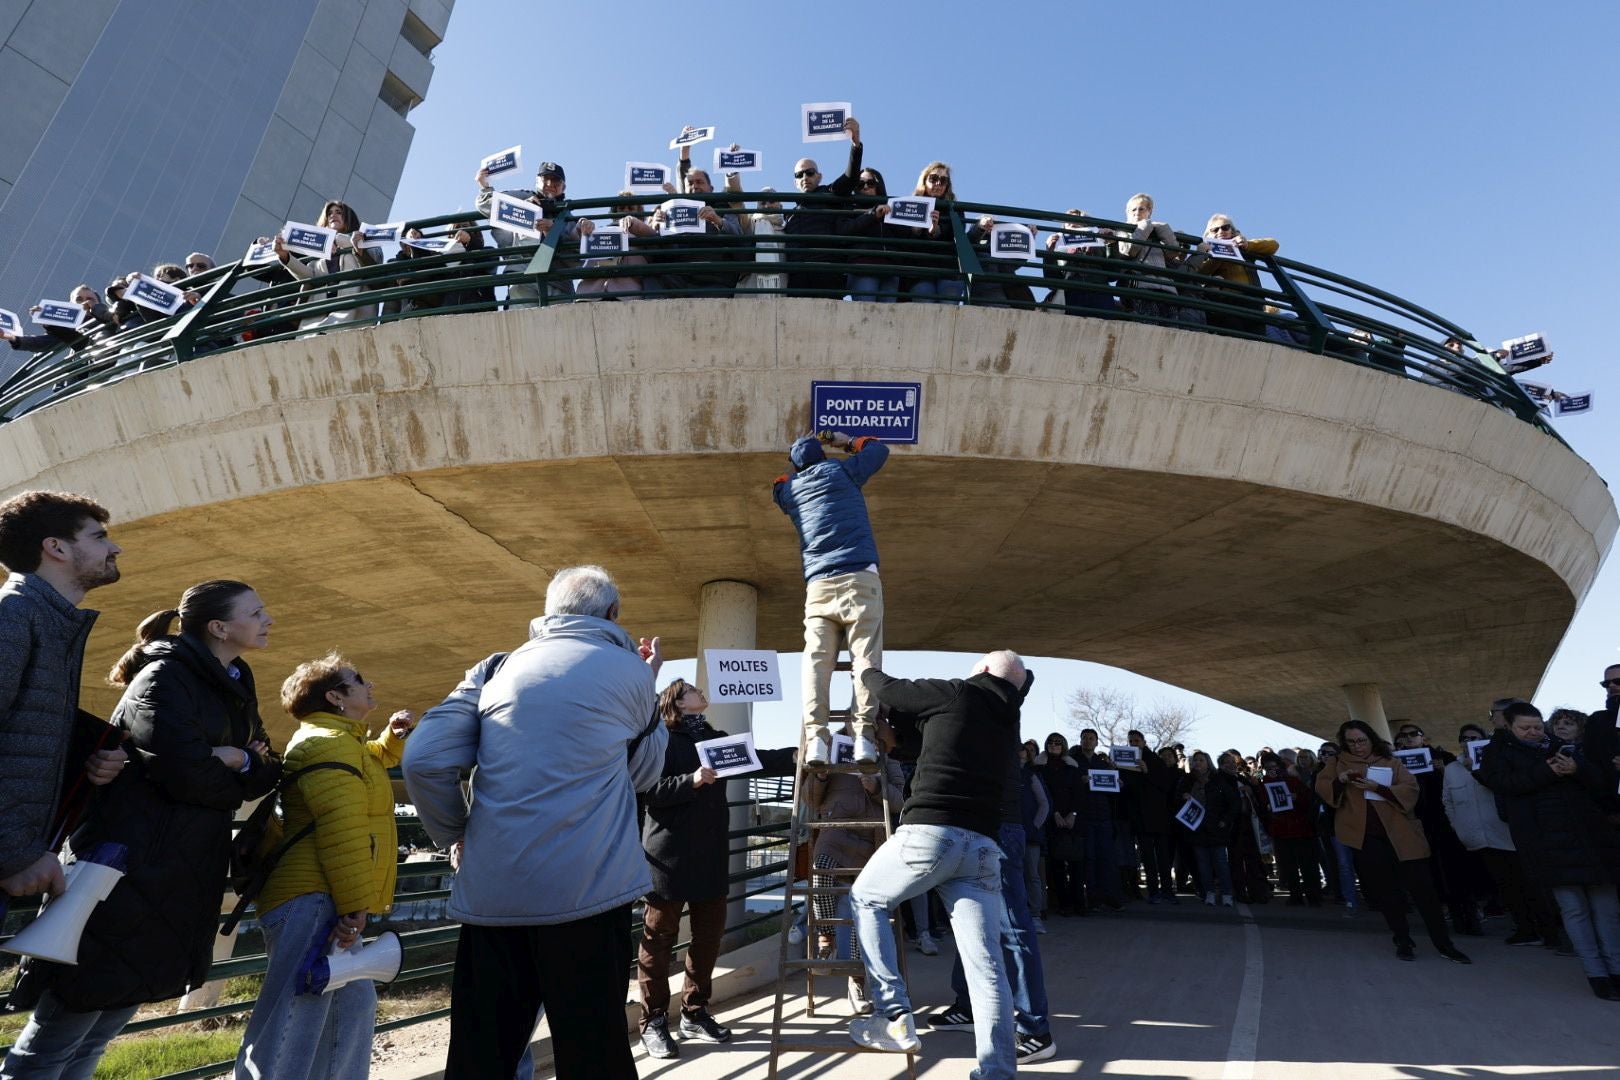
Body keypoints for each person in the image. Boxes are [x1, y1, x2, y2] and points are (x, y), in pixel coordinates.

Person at [4, 581, 281, 1079]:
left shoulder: (235, 679)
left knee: (99, 1033)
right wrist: (236, 767)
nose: (269, 620)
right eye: (256, 612)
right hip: (127, 869)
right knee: (60, 1031)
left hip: (176, 872)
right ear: (219, 627)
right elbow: (187, 776)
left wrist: (234, 757)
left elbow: (265, 767)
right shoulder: (163, 679)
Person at [400, 565, 667, 1079]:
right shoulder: (630, 671)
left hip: (492, 896)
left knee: (481, 1054)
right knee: (595, 1053)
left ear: (549, 612)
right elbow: (643, 775)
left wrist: (457, 834)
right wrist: (646, 688)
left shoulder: (497, 669)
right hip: (587, 895)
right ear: (613, 615)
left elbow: (423, 760)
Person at [847, 651, 1031, 1079]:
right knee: (986, 969)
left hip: (931, 833)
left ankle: (892, 1016)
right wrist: (897, 742)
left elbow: (890, 689)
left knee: (867, 898)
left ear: (984, 670)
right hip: (983, 848)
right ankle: (998, 1071)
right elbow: (937, 741)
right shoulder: (1008, 721)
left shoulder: (957, 691)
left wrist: (863, 669)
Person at [234, 655, 416, 1079]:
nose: (368, 683)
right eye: (357, 680)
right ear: (335, 697)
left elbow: (371, 760)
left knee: (351, 1010)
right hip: (313, 899)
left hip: (326, 896)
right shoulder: (326, 744)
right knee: (295, 1018)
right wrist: (357, 904)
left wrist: (392, 737)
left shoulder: (340, 741)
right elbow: (342, 829)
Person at [636, 678, 796, 1059]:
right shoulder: (659, 740)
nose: (700, 691)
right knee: (658, 942)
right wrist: (688, 781)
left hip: (709, 855)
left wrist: (799, 754)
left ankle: (694, 1011)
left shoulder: (715, 739)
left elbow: (759, 760)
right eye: (691, 689)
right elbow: (646, 790)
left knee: (708, 938)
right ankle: (653, 1021)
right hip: (667, 858)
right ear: (676, 701)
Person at [0, 492, 126, 908]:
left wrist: (84, 762)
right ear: (55, 547)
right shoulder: (13, 617)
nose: (114, 548)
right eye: (99, 537)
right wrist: (16, 851)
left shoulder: (46, 620)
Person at [925, 681, 1056, 1064]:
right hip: (979, 831)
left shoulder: (999, 716)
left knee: (1012, 929)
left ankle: (1036, 1030)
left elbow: (1023, 677)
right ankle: (966, 1004)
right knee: (970, 920)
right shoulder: (986, 717)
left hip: (1001, 833)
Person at [1479, 702, 1620, 998]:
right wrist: (1546, 771)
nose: (1533, 732)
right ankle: (1597, 974)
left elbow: (1601, 785)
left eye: (1537, 726)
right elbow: (1505, 785)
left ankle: (1616, 969)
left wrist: (1577, 769)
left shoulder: (1564, 746)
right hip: (1547, 846)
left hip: (1590, 841)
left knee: (1607, 909)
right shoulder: (1497, 753)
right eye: (1525, 728)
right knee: (1575, 910)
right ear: (1509, 726)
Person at [773, 431, 889, 767]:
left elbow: (778, 484)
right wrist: (843, 441)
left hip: (818, 585)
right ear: (822, 456)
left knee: (816, 662)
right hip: (860, 577)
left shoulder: (789, 491)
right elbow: (879, 450)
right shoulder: (841, 471)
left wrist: (795, 466)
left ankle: (816, 740)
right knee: (865, 660)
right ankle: (864, 737)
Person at [1315, 720, 1470, 963]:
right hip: (1367, 839)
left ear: (1371, 739)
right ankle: (1403, 939)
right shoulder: (1336, 764)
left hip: (1402, 835)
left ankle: (1444, 943)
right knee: (1387, 893)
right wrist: (1340, 781)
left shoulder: (1390, 761)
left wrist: (1378, 788)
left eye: (1362, 740)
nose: (1358, 746)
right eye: (1351, 742)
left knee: (1424, 892)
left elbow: (1410, 790)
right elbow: (1323, 789)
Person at [804, 716, 904, 1018]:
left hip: (871, 841)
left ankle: (857, 983)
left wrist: (875, 786)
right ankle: (826, 939)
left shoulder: (888, 761)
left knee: (865, 914)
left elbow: (900, 802)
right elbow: (809, 798)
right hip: (836, 832)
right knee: (820, 875)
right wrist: (820, 776)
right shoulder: (830, 749)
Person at [1442, 721, 1555, 947]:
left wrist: (1476, 769)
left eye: (1474, 738)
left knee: (1529, 884)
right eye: (1465, 738)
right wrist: (1460, 828)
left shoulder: (1496, 762)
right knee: (1506, 887)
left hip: (1507, 834)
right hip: (1478, 839)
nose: (1469, 742)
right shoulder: (1452, 769)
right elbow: (1448, 802)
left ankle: (1549, 932)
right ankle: (1525, 929)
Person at [1393, 721, 1481, 937]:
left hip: (1445, 823)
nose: (1409, 738)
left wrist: (1443, 771)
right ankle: (1443, 917)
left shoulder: (1444, 758)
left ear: (1424, 737)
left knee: (1457, 871)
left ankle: (1468, 917)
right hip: (1417, 824)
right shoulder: (1396, 763)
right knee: (1430, 873)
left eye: (1414, 733)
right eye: (1403, 735)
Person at [474, 160, 594, 303]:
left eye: (555, 181)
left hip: (558, 283)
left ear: (564, 187)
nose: (549, 184)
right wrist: (484, 185)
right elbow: (486, 205)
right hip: (521, 278)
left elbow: (576, 261)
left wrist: (554, 232)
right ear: (537, 181)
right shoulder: (521, 197)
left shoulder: (569, 218)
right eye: (545, 179)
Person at [783, 117, 863, 295]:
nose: (805, 177)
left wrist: (856, 144)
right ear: (795, 182)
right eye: (799, 175)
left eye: (809, 172)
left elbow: (850, 179)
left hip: (827, 271)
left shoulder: (830, 193)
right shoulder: (789, 213)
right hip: (798, 275)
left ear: (819, 176)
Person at [271, 200, 379, 330]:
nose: (333, 215)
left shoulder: (364, 239)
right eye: (329, 214)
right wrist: (285, 256)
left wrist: (336, 239)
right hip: (317, 321)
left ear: (349, 219)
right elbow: (310, 275)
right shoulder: (321, 254)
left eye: (339, 212)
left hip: (353, 321)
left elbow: (374, 265)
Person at [1187, 213, 1278, 336]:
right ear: (1209, 235)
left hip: (1253, 303)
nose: (1221, 231)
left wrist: (1247, 245)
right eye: (1215, 229)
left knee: (1257, 341)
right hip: (1228, 304)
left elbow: (1273, 245)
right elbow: (1200, 273)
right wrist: (1219, 253)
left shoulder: (1242, 248)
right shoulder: (1207, 254)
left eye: (1225, 227)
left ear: (1232, 231)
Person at [1120, 730, 1178, 903]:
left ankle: (1167, 890)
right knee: (1147, 858)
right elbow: (1128, 789)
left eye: (1137, 740)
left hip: (1158, 817)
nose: (1134, 743)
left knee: (1163, 857)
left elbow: (1166, 785)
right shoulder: (1125, 763)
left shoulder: (1156, 761)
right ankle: (1153, 892)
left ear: (1144, 742)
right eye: (1130, 741)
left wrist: (1147, 771)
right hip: (1140, 817)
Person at [1176, 751, 1238, 906]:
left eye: (1201, 760)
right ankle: (1209, 892)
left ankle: (1226, 894)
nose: (1197, 763)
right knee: (1203, 865)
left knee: (1221, 864)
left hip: (1216, 829)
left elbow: (1233, 803)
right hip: (1196, 829)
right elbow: (1176, 799)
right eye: (1195, 760)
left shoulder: (1219, 780)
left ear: (1208, 762)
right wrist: (1183, 797)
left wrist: (1225, 820)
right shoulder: (1188, 780)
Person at [1258, 755, 1321, 905]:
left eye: (1274, 767)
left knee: (1308, 866)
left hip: (1301, 828)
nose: (1272, 771)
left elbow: (1309, 799)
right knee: (1288, 866)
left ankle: (1313, 896)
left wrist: (1296, 797)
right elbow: (1261, 802)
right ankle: (1295, 895)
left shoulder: (1293, 781)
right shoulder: (1264, 784)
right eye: (1268, 768)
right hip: (1280, 830)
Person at [837, 168, 905, 302]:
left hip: (890, 270)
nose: (866, 186)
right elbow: (843, 230)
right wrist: (872, 215)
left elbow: (905, 235)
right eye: (860, 184)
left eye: (870, 183)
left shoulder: (891, 207)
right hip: (863, 269)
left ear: (879, 185)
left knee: (889, 317)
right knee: (866, 315)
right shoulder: (850, 207)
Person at [1114, 193, 1183, 322]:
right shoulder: (1123, 230)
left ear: (1149, 211)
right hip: (1141, 287)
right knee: (1149, 324)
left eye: (1141, 209)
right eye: (1133, 209)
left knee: (1171, 328)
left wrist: (1164, 229)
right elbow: (1129, 251)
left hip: (1166, 288)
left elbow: (1173, 253)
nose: (1137, 212)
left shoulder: (1156, 231)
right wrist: (1145, 227)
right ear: (1127, 212)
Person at [1036, 733, 1083, 915]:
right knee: (1056, 867)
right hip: (1050, 821)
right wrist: (1054, 813)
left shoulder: (1072, 768)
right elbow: (1043, 793)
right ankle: (1063, 903)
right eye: (1050, 742)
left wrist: (1073, 814)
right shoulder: (1039, 769)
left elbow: (1079, 794)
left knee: (1076, 864)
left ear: (1063, 745)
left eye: (1057, 743)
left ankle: (1079, 902)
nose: (1054, 745)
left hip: (1073, 822)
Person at [906, 163, 965, 302]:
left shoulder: (955, 208)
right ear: (924, 180)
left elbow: (959, 233)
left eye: (943, 180)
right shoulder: (911, 205)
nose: (938, 183)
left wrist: (936, 230)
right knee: (923, 311)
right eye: (933, 178)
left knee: (949, 313)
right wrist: (915, 231)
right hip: (919, 272)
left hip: (948, 270)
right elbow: (902, 234)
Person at [1583, 663, 1620, 813]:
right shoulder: (1597, 720)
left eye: (1618, 681)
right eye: (1606, 683)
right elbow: (1592, 765)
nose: (1611, 685)